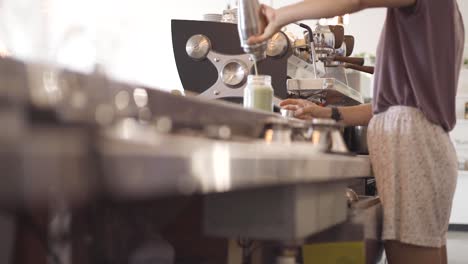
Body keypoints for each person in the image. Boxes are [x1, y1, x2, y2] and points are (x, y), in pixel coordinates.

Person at [248, 0, 465, 263]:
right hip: (418, 144)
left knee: (411, 253)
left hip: (412, 146)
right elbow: (390, 106)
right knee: (424, 249)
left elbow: (356, 1)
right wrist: (329, 113)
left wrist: (278, 15)